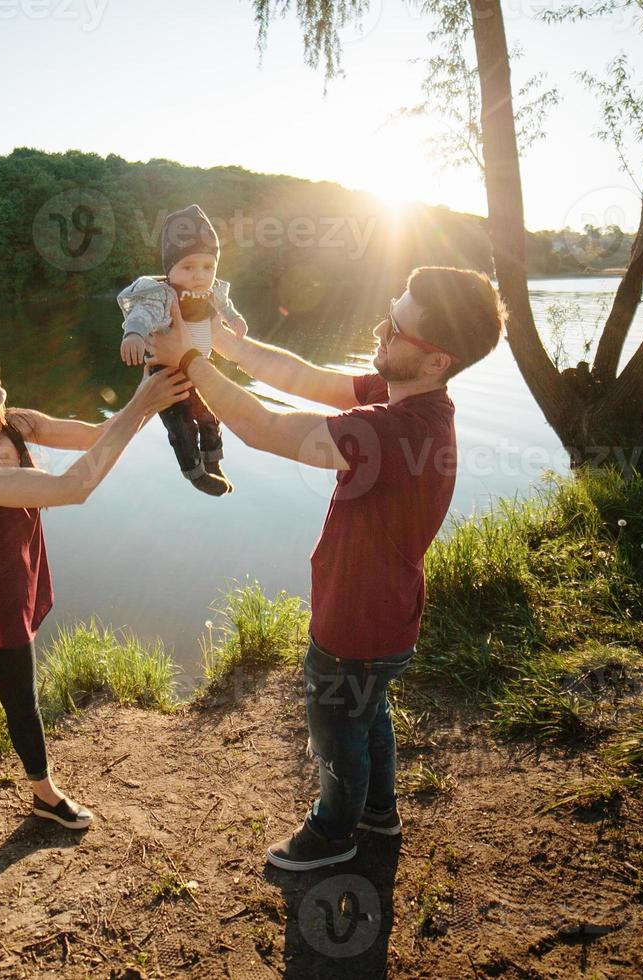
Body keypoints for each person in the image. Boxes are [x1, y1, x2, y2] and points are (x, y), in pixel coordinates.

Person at [146, 266, 506, 871]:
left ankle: (333, 832)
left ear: (436, 360)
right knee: (369, 718)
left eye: (395, 327)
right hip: (388, 619)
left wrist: (192, 363)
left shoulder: (391, 433)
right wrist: (224, 342)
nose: (378, 328)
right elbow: (304, 378)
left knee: (337, 737)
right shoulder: (410, 400)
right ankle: (380, 813)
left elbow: (265, 429)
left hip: (354, 628)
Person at [0, 344, 191, 863]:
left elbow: (98, 436)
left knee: (23, 704)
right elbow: (72, 486)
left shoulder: (17, 424)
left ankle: (44, 795)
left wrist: (150, 389)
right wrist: (143, 403)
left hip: (8, 601)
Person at [117, 204, 246, 496]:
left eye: (208, 267)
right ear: (170, 268)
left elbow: (224, 306)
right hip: (168, 375)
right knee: (182, 426)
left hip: (198, 367)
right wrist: (134, 334)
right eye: (188, 267)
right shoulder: (161, 295)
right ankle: (195, 472)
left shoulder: (211, 292)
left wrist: (234, 319)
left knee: (211, 416)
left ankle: (213, 461)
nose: (199, 275)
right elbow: (141, 315)